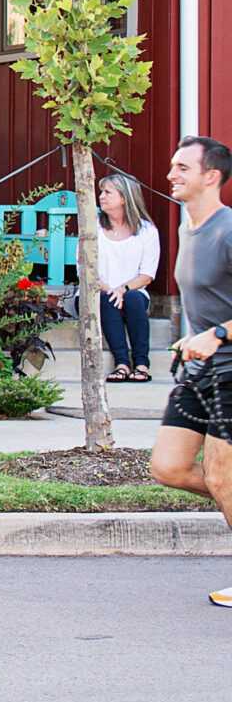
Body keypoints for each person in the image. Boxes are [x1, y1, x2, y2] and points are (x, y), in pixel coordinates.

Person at [149, 134, 232, 609]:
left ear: (211, 176)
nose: (171, 175)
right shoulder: (187, 230)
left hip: (230, 367)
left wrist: (217, 334)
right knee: (170, 467)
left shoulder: (227, 230)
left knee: (222, 477)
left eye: (182, 168)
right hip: (200, 369)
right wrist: (194, 337)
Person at [94, 173, 161, 383]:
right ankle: (122, 363)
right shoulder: (92, 227)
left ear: (124, 198)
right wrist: (109, 289)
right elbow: (84, 269)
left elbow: (148, 274)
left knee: (133, 299)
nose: (101, 196)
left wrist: (122, 289)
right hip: (98, 291)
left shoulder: (147, 230)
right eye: (101, 192)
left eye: (107, 192)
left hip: (132, 292)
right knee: (106, 299)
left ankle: (141, 363)